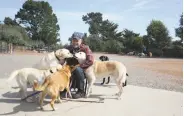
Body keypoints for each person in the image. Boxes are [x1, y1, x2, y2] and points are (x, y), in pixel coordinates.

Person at [61, 32, 94, 99]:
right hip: (69, 68)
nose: (75, 42)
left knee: (77, 69)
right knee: (62, 69)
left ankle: (81, 91)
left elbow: (90, 60)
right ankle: (64, 89)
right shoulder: (68, 48)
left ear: (81, 41)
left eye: (77, 40)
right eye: (73, 40)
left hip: (82, 69)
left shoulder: (86, 48)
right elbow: (60, 55)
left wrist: (79, 66)